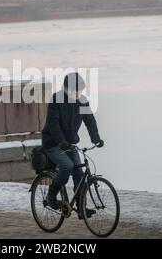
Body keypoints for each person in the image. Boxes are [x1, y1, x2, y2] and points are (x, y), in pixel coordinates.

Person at [41, 72, 104, 218]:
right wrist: (60, 141)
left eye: (80, 90)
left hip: (70, 144)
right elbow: (53, 124)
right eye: (76, 90)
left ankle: (81, 208)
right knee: (67, 166)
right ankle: (52, 195)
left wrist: (96, 139)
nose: (78, 93)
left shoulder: (81, 101)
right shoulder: (56, 100)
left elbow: (90, 120)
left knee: (79, 174)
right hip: (53, 144)